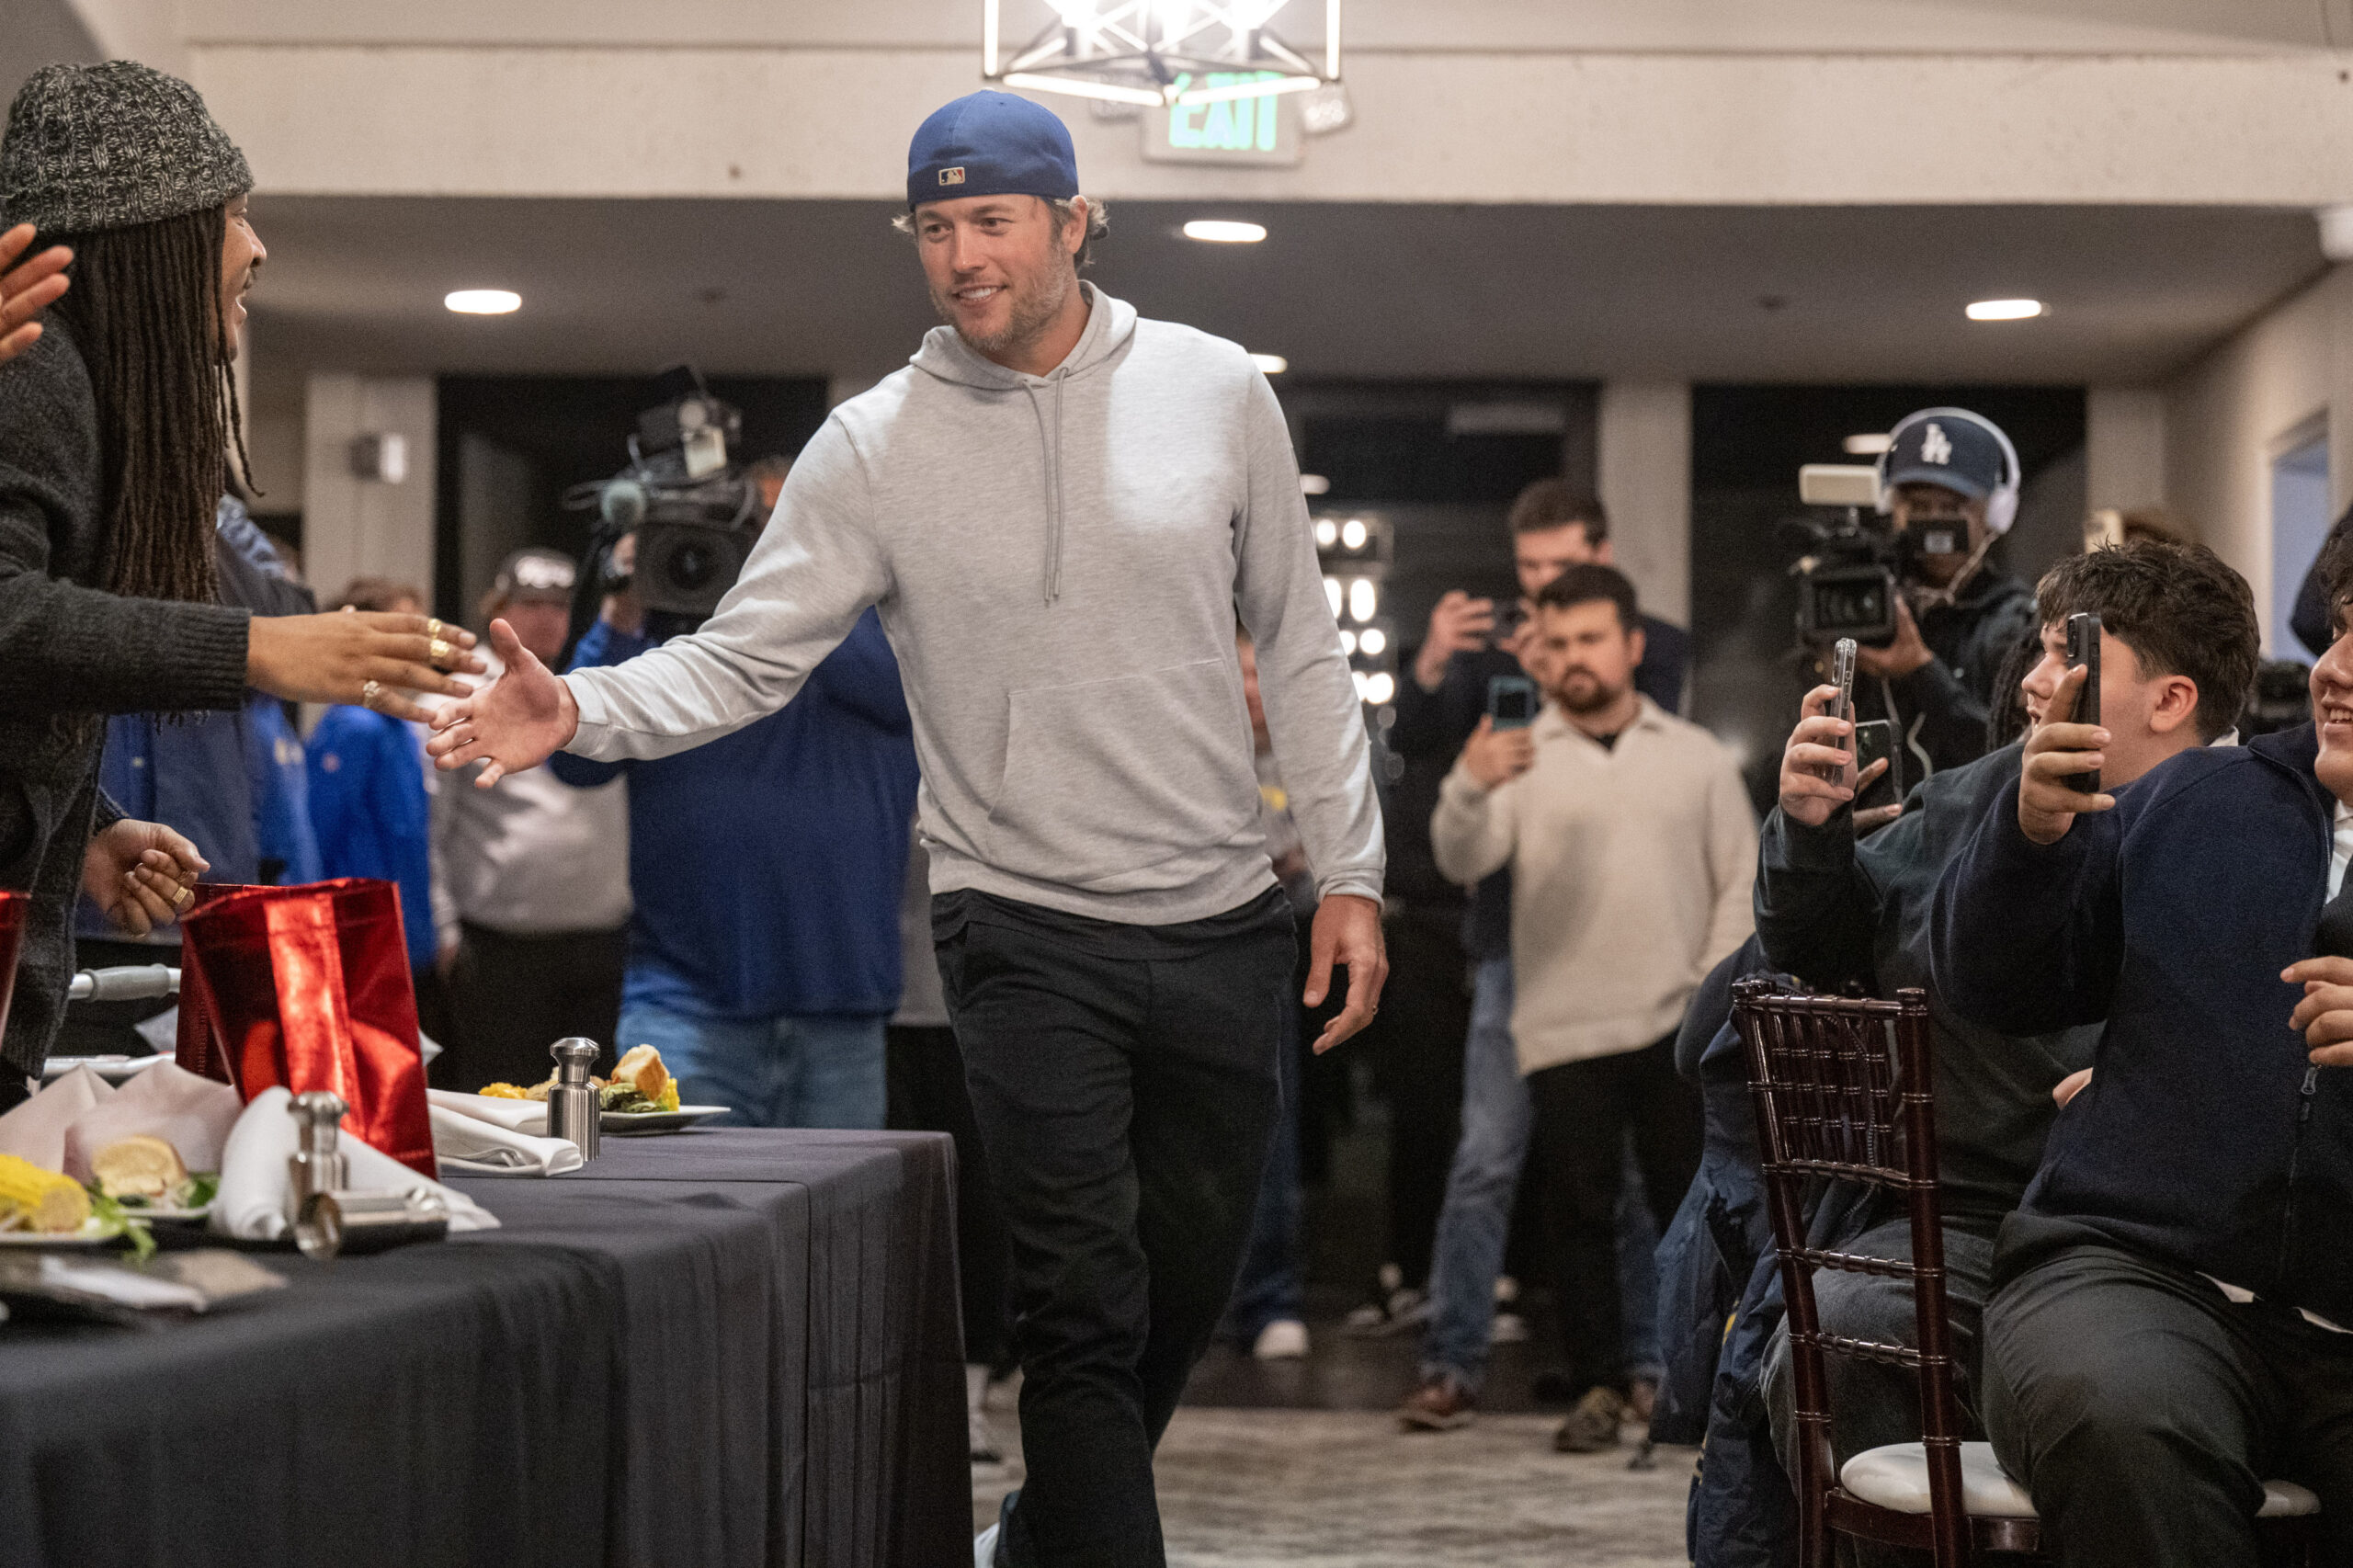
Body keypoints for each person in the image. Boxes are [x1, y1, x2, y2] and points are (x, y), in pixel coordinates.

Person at [426, 90, 1387, 1568]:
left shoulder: (1213, 392)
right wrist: (588, 711)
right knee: (1080, 1306)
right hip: (1017, 921)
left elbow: (1301, 645)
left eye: (991, 220)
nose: (961, 257)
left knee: (1172, 1301)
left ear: (1075, 223)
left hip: (1216, 922)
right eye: (934, 228)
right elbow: (749, 654)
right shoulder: (872, 445)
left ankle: (1041, 1529)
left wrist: (1349, 869)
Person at [1754, 539, 2261, 1536]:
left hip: (2185, 1241)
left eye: (2067, 655)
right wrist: (1808, 829)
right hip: (1974, 1215)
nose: (2031, 681)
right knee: (1835, 1333)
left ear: (2169, 700)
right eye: (2035, 649)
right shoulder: (1967, 798)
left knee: (2134, 1396)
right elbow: (1824, 944)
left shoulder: (2264, 830)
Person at [0, 62, 476, 1095]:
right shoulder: (35, 372)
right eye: (234, 214)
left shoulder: (69, 386)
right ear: (156, 234)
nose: (256, 248)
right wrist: (258, 647)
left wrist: (85, 823)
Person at [1929, 539, 2352, 1568]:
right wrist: (2028, 834)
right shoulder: (2208, 796)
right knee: (2121, 1416)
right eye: (2342, 629)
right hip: (2132, 1269)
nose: (2336, 666)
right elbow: (2001, 987)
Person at [1426, 563, 1753, 1452]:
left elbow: (1741, 879)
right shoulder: (1520, 756)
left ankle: (1690, 1387)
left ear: (1631, 645)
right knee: (1576, 1216)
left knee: (1694, 1211)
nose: (1574, 658)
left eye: (1591, 639)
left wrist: (1704, 991)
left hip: (1678, 1026)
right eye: (1559, 642)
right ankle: (1603, 1386)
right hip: (1562, 1026)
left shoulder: (1692, 754)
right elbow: (1461, 858)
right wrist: (1469, 780)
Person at [1393, 483, 1691, 1390]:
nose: (1541, 587)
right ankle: (1452, 1362)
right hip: (1513, 937)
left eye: (1558, 567)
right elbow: (1434, 759)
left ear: (1600, 557)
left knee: (1627, 1173)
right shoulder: (1495, 660)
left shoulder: (1656, 648)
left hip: (1623, 941)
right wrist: (1438, 663)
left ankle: (1641, 1361)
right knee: (1486, 1154)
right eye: (1527, 570)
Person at [552, 526, 918, 1131]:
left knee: (838, 1223)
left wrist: (798, 593)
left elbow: (900, 684)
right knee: (680, 1219)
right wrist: (624, 610)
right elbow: (575, 761)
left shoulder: (882, 646)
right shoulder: (677, 658)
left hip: (842, 1009)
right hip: (686, 1001)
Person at [431, 549, 631, 1090]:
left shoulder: (605, 686)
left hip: (599, 943)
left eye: (559, 605)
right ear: (499, 609)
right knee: (502, 1099)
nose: (546, 617)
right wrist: (443, 928)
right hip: (499, 949)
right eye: (531, 603)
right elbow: (432, 825)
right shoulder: (465, 693)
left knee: (595, 1109)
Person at [886, 821, 1014, 1463]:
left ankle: (968, 1399)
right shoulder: (868, 741)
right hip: (872, 1008)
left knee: (981, 1207)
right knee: (882, 1214)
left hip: (979, 1010)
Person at [1839, 407, 2040, 779]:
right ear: (1892, 510)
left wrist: (1921, 670)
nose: (1934, 521)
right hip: (1876, 832)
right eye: (1918, 507)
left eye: (1953, 507)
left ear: (1994, 514)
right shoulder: (1864, 604)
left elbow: (2017, 758)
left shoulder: (2017, 620)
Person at [1222, 628, 1318, 1362]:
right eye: (1237, 671)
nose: (1250, 687)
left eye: (1259, 673)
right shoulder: (1187, 750)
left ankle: (1272, 1298)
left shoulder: (1306, 755)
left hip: (1276, 955)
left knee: (1271, 1133)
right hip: (1184, 946)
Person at [308, 579, 447, 987]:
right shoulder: (354, 727)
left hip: (405, 939)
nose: (420, 647)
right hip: (361, 944)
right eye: (404, 632)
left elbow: (409, 840)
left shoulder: (398, 726)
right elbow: (320, 842)